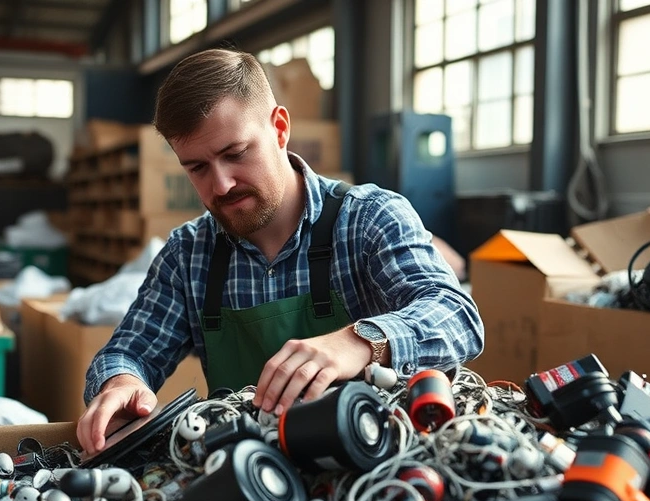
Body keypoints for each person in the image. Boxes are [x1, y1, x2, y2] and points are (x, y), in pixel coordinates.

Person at [76, 49, 484, 453]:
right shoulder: (188, 256)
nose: (220, 186)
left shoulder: (369, 218)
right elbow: (128, 352)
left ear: (280, 127)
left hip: (373, 464)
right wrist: (121, 383)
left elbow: (456, 315)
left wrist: (360, 342)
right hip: (249, 478)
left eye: (235, 154)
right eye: (197, 168)